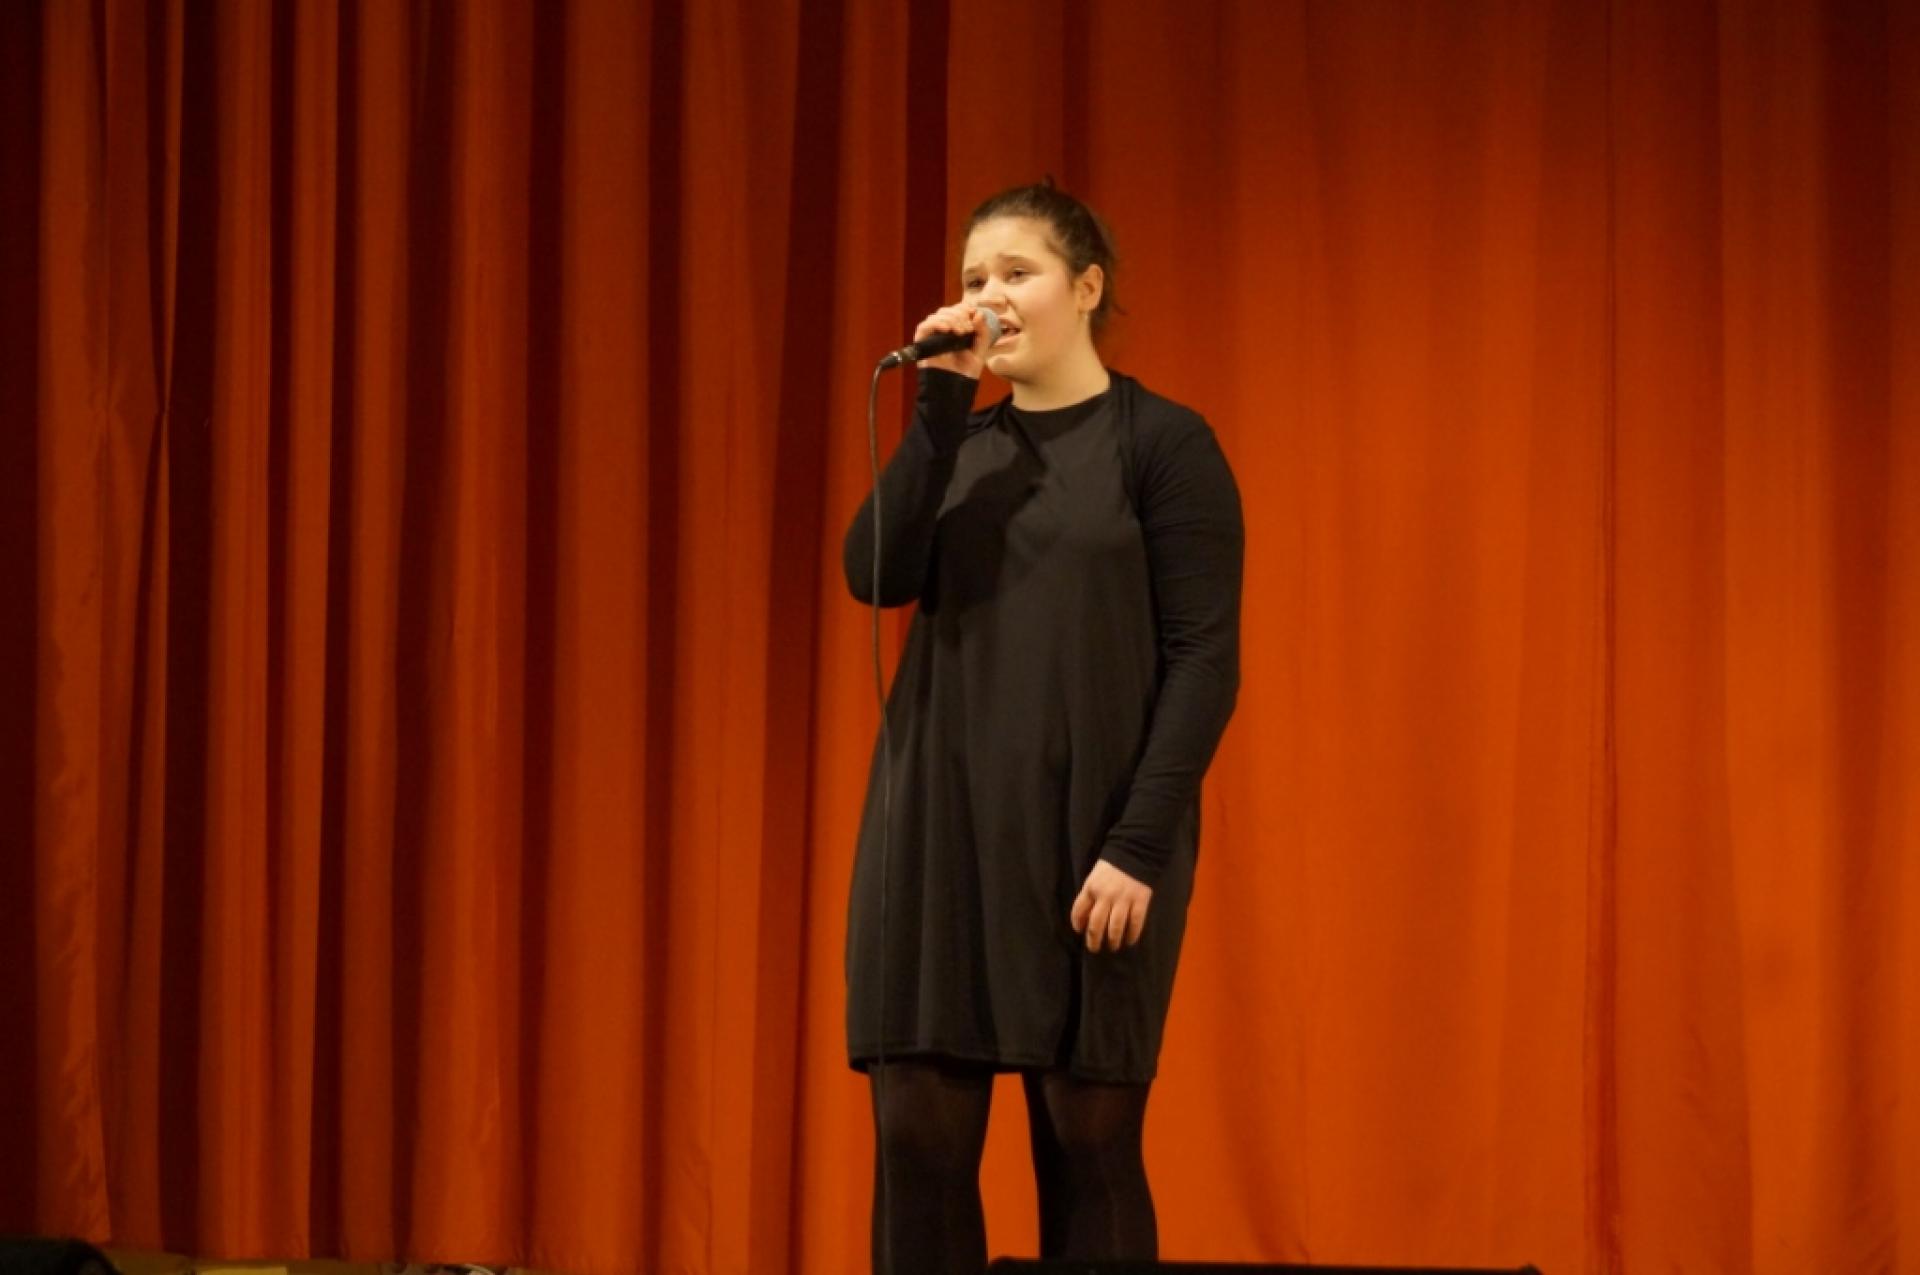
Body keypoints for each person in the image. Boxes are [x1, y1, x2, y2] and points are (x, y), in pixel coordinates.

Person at [842, 180, 1244, 1274]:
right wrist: (939, 408)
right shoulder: (958, 448)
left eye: (1016, 273)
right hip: (938, 840)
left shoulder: (1164, 445)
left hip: (1092, 838)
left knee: (1087, 1140)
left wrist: (1138, 844)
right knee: (918, 1141)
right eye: (974, 278)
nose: (989, 298)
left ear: (1088, 287)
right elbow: (873, 572)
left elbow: (1205, 661)